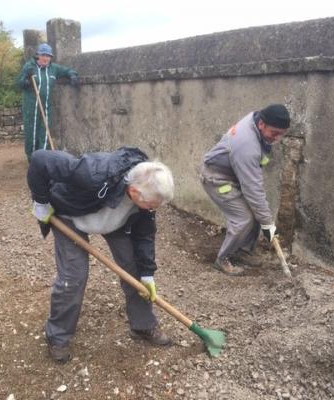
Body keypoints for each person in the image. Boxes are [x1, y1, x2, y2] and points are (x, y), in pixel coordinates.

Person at [27, 146, 175, 363]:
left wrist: (147, 273)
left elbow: (145, 236)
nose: (154, 209)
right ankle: (57, 336)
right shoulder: (93, 172)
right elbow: (40, 160)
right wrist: (41, 201)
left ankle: (143, 325)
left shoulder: (144, 202)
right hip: (71, 216)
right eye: (152, 204)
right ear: (134, 193)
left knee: (133, 272)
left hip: (115, 223)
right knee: (73, 277)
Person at [200, 104, 290, 276]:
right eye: (274, 133)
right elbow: (253, 190)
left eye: (282, 133)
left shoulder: (255, 120)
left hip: (234, 175)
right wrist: (268, 225)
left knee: (258, 213)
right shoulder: (246, 146)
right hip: (217, 179)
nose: (277, 138)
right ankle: (222, 259)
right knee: (244, 219)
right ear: (262, 124)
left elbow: (253, 187)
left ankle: (242, 252)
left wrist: (264, 220)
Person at [17, 43, 79, 161]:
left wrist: (72, 75)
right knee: (32, 135)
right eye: (43, 55)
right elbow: (18, 83)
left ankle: (43, 160)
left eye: (48, 56)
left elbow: (67, 70)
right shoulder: (29, 67)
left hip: (46, 108)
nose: (46, 58)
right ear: (38, 56)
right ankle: (32, 159)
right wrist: (25, 80)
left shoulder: (53, 68)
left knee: (44, 134)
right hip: (31, 108)